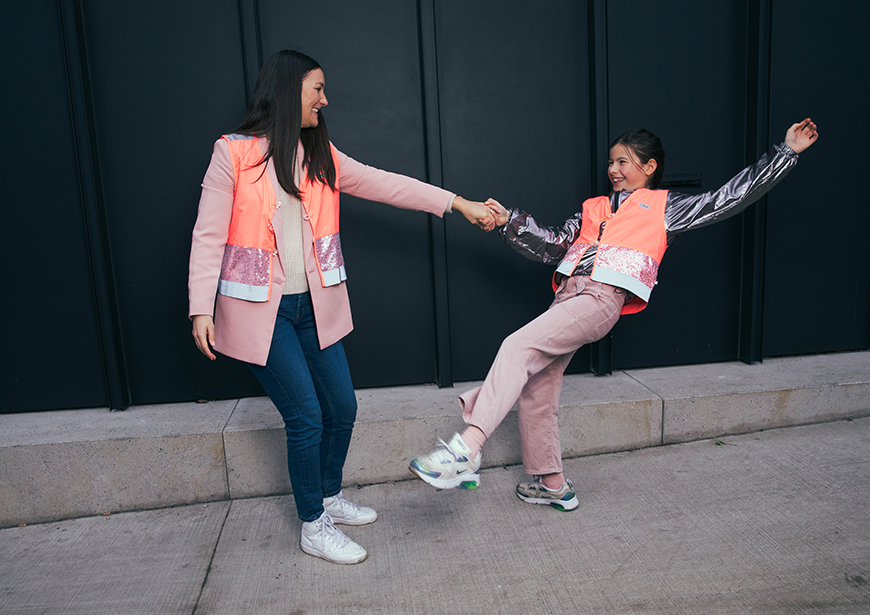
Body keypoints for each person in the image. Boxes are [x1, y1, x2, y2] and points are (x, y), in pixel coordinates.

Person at [409, 118, 819, 511]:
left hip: (601, 299)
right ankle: (553, 485)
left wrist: (785, 152)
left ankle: (467, 449)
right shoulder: (593, 208)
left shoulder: (665, 207)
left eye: (623, 161)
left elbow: (728, 197)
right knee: (536, 388)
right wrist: (507, 222)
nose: (614, 170)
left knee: (516, 346)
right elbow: (552, 246)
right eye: (611, 162)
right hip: (568, 298)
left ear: (649, 166)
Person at [188, 50, 496, 564]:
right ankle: (313, 525)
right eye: (317, 89)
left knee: (343, 408)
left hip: (314, 306)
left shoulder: (320, 154)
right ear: (289, 91)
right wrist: (201, 307)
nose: (325, 100)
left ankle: (328, 497)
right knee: (306, 416)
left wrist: (457, 203)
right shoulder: (233, 154)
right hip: (261, 313)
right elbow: (207, 235)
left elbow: (387, 184)